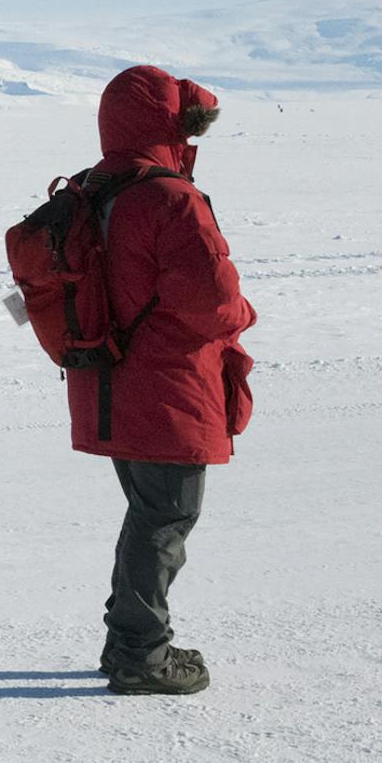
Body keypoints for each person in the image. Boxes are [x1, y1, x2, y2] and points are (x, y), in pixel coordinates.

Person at [72, 64, 256, 696]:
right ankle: (140, 655)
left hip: (105, 382)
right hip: (168, 384)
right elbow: (214, 302)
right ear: (169, 124)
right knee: (166, 518)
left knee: (149, 512)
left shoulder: (94, 188)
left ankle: (128, 641)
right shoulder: (172, 199)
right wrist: (246, 313)